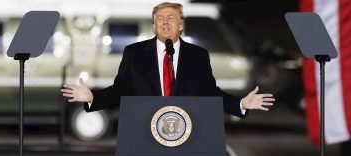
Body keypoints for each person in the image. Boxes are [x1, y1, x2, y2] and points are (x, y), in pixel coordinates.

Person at [61, 2, 274, 121]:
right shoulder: (135, 53)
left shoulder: (198, 56)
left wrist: (240, 104)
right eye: (159, 19)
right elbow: (121, 89)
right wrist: (93, 98)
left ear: (181, 25)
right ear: (153, 26)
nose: (165, 23)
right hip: (144, 135)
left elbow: (210, 92)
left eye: (170, 18)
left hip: (187, 135)